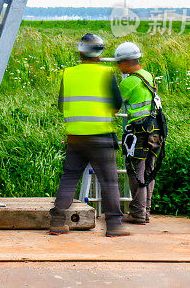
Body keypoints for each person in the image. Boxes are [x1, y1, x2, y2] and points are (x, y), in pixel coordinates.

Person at [49, 33, 130, 237]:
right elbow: (117, 103)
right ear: (100, 53)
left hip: (75, 137)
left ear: (80, 51)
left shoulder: (68, 74)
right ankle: (113, 225)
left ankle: (57, 221)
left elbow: (61, 105)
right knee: (109, 181)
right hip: (101, 136)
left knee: (69, 177)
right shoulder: (106, 73)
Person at [114, 42, 162, 225]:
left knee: (135, 170)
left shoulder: (130, 81)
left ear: (126, 62)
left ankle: (138, 213)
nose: (118, 66)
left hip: (140, 132)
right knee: (150, 169)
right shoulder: (148, 76)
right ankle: (146, 211)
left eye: (119, 62)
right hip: (156, 130)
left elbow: (113, 104)